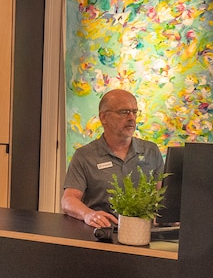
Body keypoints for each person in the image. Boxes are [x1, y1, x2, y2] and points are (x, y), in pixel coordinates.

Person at [61, 89, 163, 228]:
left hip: (143, 236)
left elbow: (163, 196)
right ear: (104, 117)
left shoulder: (151, 151)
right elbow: (68, 200)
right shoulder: (85, 156)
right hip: (102, 235)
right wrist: (88, 214)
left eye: (134, 112)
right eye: (124, 112)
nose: (131, 118)